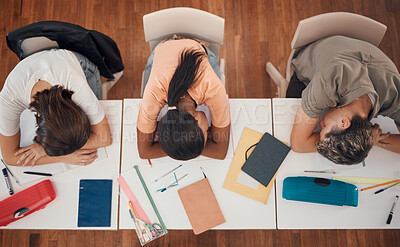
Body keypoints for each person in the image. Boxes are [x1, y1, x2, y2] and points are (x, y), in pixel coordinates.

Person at [288, 35, 400, 165]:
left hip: (352, 46)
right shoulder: (328, 82)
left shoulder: (396, 96)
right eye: (324, 128)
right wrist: (368, 141)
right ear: (343, 122)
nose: (322, 123)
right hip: (315, 54)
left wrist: (367, 141)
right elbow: (299, 144)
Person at [0, 49, 112, 166]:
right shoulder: (9, 99)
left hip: (78, 64)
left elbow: (104, 138)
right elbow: (9, 158)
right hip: (43, 63)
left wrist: (44, 149)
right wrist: (63, 157)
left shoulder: (77, 87)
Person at [137, 36, 230, 160]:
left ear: (197, 120)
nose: (208, 131)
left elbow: (220, 152)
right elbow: (145, 152)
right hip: (164, 54)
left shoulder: (212, 88)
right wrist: (178, 142)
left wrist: (181, 144)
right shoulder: (154, 93)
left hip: (196, 49)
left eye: (205, 134)